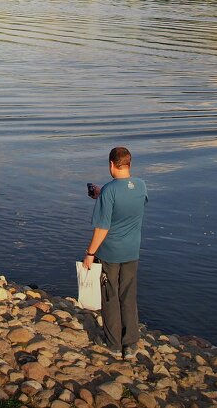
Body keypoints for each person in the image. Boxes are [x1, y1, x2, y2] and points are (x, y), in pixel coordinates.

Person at [83, 146, 148, 360]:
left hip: (110, 253)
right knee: (128, 295)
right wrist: (102, 195)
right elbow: (126, 202)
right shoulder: (140, 186)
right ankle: (130, 344)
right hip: (132, 251)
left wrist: (90, 253)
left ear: (111, 164)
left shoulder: (110, 191)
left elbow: (102, 227)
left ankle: (113, 344)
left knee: (110, 295)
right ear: (129, 164)